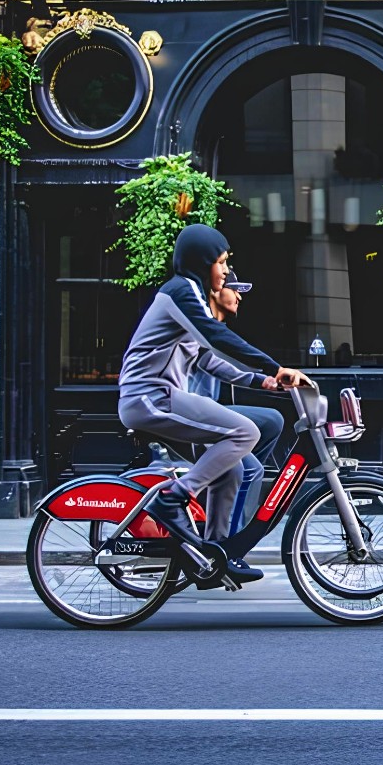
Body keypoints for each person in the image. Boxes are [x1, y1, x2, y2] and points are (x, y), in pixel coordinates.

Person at [117, 224, 303, 583]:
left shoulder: (191, 297)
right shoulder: (179, 292)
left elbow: (206, 358)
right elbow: (215, 337)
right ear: (201, 263)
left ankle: (215, 555)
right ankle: (173, 498)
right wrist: (275, 366)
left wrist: (261, 380)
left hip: (163, 398)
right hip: (149, 398)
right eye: (220, 262)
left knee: (232, 467)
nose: (224, 270)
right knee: (244, 431)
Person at [184, 269, 286, 546]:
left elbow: (219, 366)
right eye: (235, 289)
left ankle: (229, 505)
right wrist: (271, 370)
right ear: (216, 291)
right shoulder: (202, 325)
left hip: (210, 412)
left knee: (272, 420)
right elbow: (218, 360)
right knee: (250, 470)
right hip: (190, 419)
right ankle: (231, 543)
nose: (240, 296)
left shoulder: (213, 329)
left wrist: (263, 380)